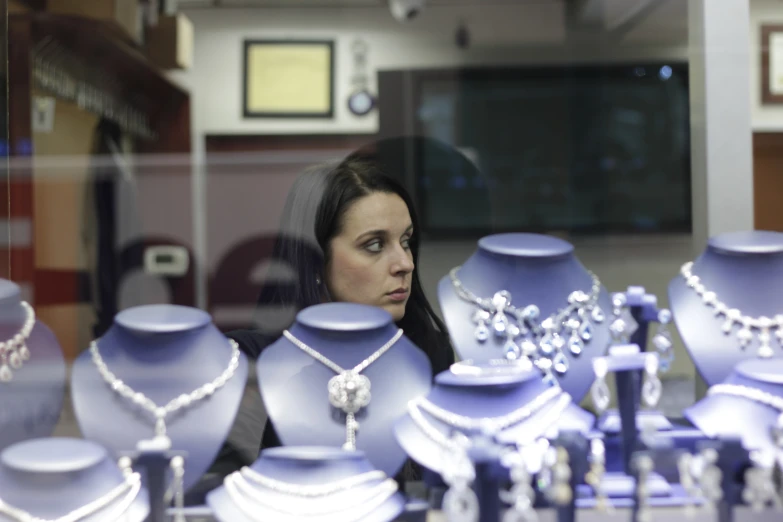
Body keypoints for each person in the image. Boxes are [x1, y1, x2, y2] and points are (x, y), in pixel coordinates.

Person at [194, 153, 455, 499]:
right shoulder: (251, 364)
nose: (404, 263)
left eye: (405, 241)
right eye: (374, 245)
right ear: (315, 259)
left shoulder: (427, 351)